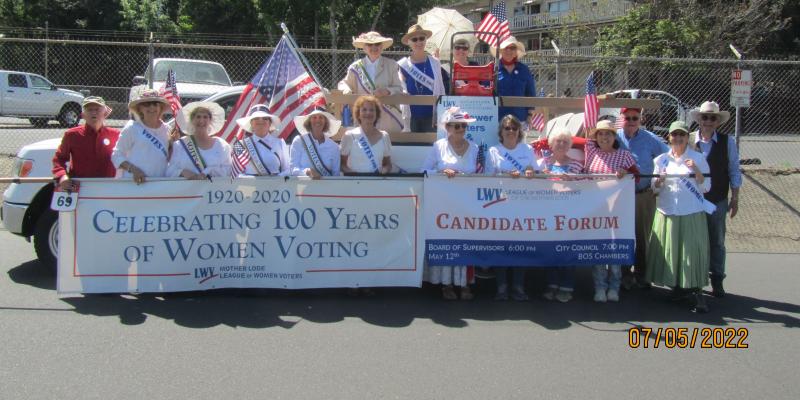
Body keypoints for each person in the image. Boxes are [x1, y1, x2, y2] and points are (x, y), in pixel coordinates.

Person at [648, 121, 712, 313]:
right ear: (669, 137)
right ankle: (677, 287)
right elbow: (654, 188)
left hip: (690, 211)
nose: (678, 138)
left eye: (681, 135)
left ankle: (696, 289)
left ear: (687, 138)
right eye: (674, 135)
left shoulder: (697, 158)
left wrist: (697, 172)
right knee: (672, 251)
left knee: (691, 253)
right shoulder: (661, 160)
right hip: (668, 211)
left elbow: (706, 186)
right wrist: (659, 180)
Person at [421, 107, 480, 300]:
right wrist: (441, 173)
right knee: (446, 242)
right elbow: (424, 171)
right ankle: (446, 284)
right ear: (447, 127)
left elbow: (480, 175)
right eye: (457, 126)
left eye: (463, 125)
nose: (461, 129)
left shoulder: (475, 148)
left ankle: (464, 284)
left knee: (465, 242)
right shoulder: (438, 146)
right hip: (443, 205)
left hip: (467, 205)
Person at [584, 119, 640, 303]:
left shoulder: (623, 155)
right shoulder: (591, 152)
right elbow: (577, 141)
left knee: (615, 250)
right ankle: (600, 286)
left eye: (608, 133)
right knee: (598, 250)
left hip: (617, 210)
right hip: (596, 209)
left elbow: (637, 176)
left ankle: (614, 286)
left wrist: (626, 173)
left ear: (614, 136)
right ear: (596, 137)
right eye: (600, 133)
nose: (604, 137)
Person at [691, 101, 741, 298]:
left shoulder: (727, 142)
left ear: (718, 122)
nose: (708, 121)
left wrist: (735, 198)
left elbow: (734, 170)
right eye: (705, 117)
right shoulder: (689, 141)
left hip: (717, 199)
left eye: (713, 118)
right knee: (695, 240)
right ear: (699, 119)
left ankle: (717, 279)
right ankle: (695, 279)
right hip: (693, 200)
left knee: (717, 241)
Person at [615, 107, 669, 290]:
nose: (631, 121)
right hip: (619, 196)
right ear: (621, 118)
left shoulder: (651, 139)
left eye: (634, 118)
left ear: (640, 119)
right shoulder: (613, 137)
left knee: (642, 236)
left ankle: (642, 274)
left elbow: (669, 156)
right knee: (622, 235)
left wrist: (661, 174)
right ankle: (623, 273)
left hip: (642, 194)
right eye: (627, 118)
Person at [484, 115, 536, 300]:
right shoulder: (493, 151)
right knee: (502, 246)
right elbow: (488, 178)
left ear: (519, 131)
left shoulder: (528, 149)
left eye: (514, 128)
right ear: (501, 132)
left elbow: (535, 171)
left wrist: (529, 172)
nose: (511, 131)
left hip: (524, 204)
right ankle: (501, 287)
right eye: (507, 128)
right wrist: (506, 176)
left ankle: (519, 286)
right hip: (501, 204)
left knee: (521, 247)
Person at [540, 130, 584, 302]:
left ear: (570, 146)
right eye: (558, 141)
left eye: (565, 142)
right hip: (548, 213)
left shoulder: (577, 166)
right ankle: (551, 284)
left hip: (569, 214)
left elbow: (587, 189)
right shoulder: (542, 164)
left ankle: (567, 286)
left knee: (568, 249)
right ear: (551, 144)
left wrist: (573, 181)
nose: (561, 145)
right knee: (551, 249)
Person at [338, 31, 404, 133]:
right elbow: (343, 84)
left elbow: (399, 88)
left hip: (388, 119)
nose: (374, 47)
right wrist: (347, 90)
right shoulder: (355, 67)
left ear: (382, 46)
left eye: (377, 44)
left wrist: (386, 91)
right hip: (364, 118)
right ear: (364, 48)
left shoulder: (391, 65)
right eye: (369, 44)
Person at [52, 96, 120, 191]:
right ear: (83, 115)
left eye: (97, 109)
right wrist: (62, 176)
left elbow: (126, 158)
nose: (94, 113)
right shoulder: (72, 135)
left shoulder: (116, 134)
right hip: (80, 187)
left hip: (108, 187)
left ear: (105, 113)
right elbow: (59, 159)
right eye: (89, 110)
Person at [111, 89, 171, 184]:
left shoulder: (168, 130)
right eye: (147, 104)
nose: (151, 107)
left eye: (155, 104)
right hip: (134, 184)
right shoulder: (132, 128)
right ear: (140, 108)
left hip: (160, 184)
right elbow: (116, 155)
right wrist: (133, 170)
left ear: (160, 107)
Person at [398, 24, 446, 132]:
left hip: (432, 115)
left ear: (426, 40)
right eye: (414, 39)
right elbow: (400, 84)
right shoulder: (403, 64)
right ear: (409, 42)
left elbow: (441, 87)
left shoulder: (435, 62)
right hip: (411, 115)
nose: (419, 42)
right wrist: (404, 90)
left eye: (421, 38)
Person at [167, 101, 231, 179]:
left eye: (205, 117)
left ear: (210, 120)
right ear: (192, 120)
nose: (201, 121)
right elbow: (170, 171)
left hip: (213, 190)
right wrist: (182, 172)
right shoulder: (180, 145)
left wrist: (208, 171)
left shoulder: (221, 145)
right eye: (198, 117)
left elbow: (228, 170)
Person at [340, 95, 393, 175]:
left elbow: (387, 164)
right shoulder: (349, 136)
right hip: (356, 184)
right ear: (358, 114)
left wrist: (385, 170)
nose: (368, 113)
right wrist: (352, 173)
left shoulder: (384, 136)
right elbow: (341, 165)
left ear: (376, 114)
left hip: (377, 184)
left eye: (372, 110)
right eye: (364, 110)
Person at [234, 104, 289, 176]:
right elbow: (237, 173)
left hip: (276, 186)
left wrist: (275, 180)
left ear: (270, 123)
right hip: (250, 186)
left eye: (265, 118)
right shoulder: (241, 145)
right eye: (256, 118)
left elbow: (287, 169)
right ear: (251, 123)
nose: (260, 121)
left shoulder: (280, 143)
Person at [493, 36, 536, 124]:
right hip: (498, 118)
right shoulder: (493, 69)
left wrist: (530, 115)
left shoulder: (524, 69)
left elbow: (531, 92)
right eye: (505, 47)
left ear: (516, 51)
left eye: (512, 48)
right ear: (500, 50)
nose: (509, 50)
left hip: (520, 118)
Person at [289, 109, 342, 178]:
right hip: (303, 187)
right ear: (309, 121)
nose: (317, 120)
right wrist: (307, 171)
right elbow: (293, 169)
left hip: (326, 187)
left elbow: (336, 174)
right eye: (314, 117)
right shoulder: (299, 141)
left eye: (321, 117)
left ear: (325, 121)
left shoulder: (334, 146)